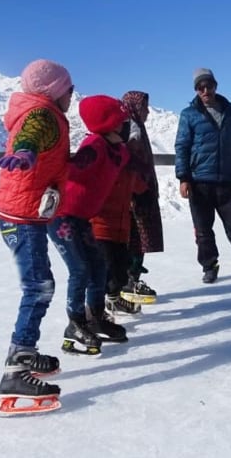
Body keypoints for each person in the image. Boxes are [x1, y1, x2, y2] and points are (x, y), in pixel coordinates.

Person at [0, 59, 73, 415]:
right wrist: (25, 151)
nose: (72, 95)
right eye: (68, 89)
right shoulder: (43, 114)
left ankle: (25, 350)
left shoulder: (38, 110)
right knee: (39, 287)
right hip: (22, 216)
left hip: (23, 211)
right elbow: (32, 135)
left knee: (40, 284)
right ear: (55, 91)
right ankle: (17, 367)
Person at [47, 95, 130, 357]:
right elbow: (70, 170)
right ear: (109, 124)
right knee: (80, 268)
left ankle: (95, 316)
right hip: (62, 216)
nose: (127, 126)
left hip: (82, 218)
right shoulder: (94, 145)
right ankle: (75, 323)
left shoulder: (118, 150)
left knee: (99, 267)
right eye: (122, 121)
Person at [175, 68, 231, 284]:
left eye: (209, 86)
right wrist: (183, 177)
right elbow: (182, 147)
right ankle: (209, 266)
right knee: (203, 230)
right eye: (200, 87)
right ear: (196, 90)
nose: (205, 90)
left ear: (215, 85)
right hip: (199, 182)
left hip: (224, 181)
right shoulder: (189, 114)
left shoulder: (229, 112)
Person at [91, 115, 146, 316]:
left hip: (121, 225)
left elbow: (137, 185)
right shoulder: (103, 152)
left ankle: (114, 300)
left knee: (119, 267)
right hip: (101, 224)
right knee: (104, 269)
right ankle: (95, 312)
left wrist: (143, 185)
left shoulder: (125, 159)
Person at [120, 90, 163, 304]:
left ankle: (129, 282)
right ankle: (128, 283)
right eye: (144, 107)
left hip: (140, 193)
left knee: (138, 239)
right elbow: (129, 164)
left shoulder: (135, 127)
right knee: (134, 240)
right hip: (135, 197)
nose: (147, 112)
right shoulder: (131, 129)